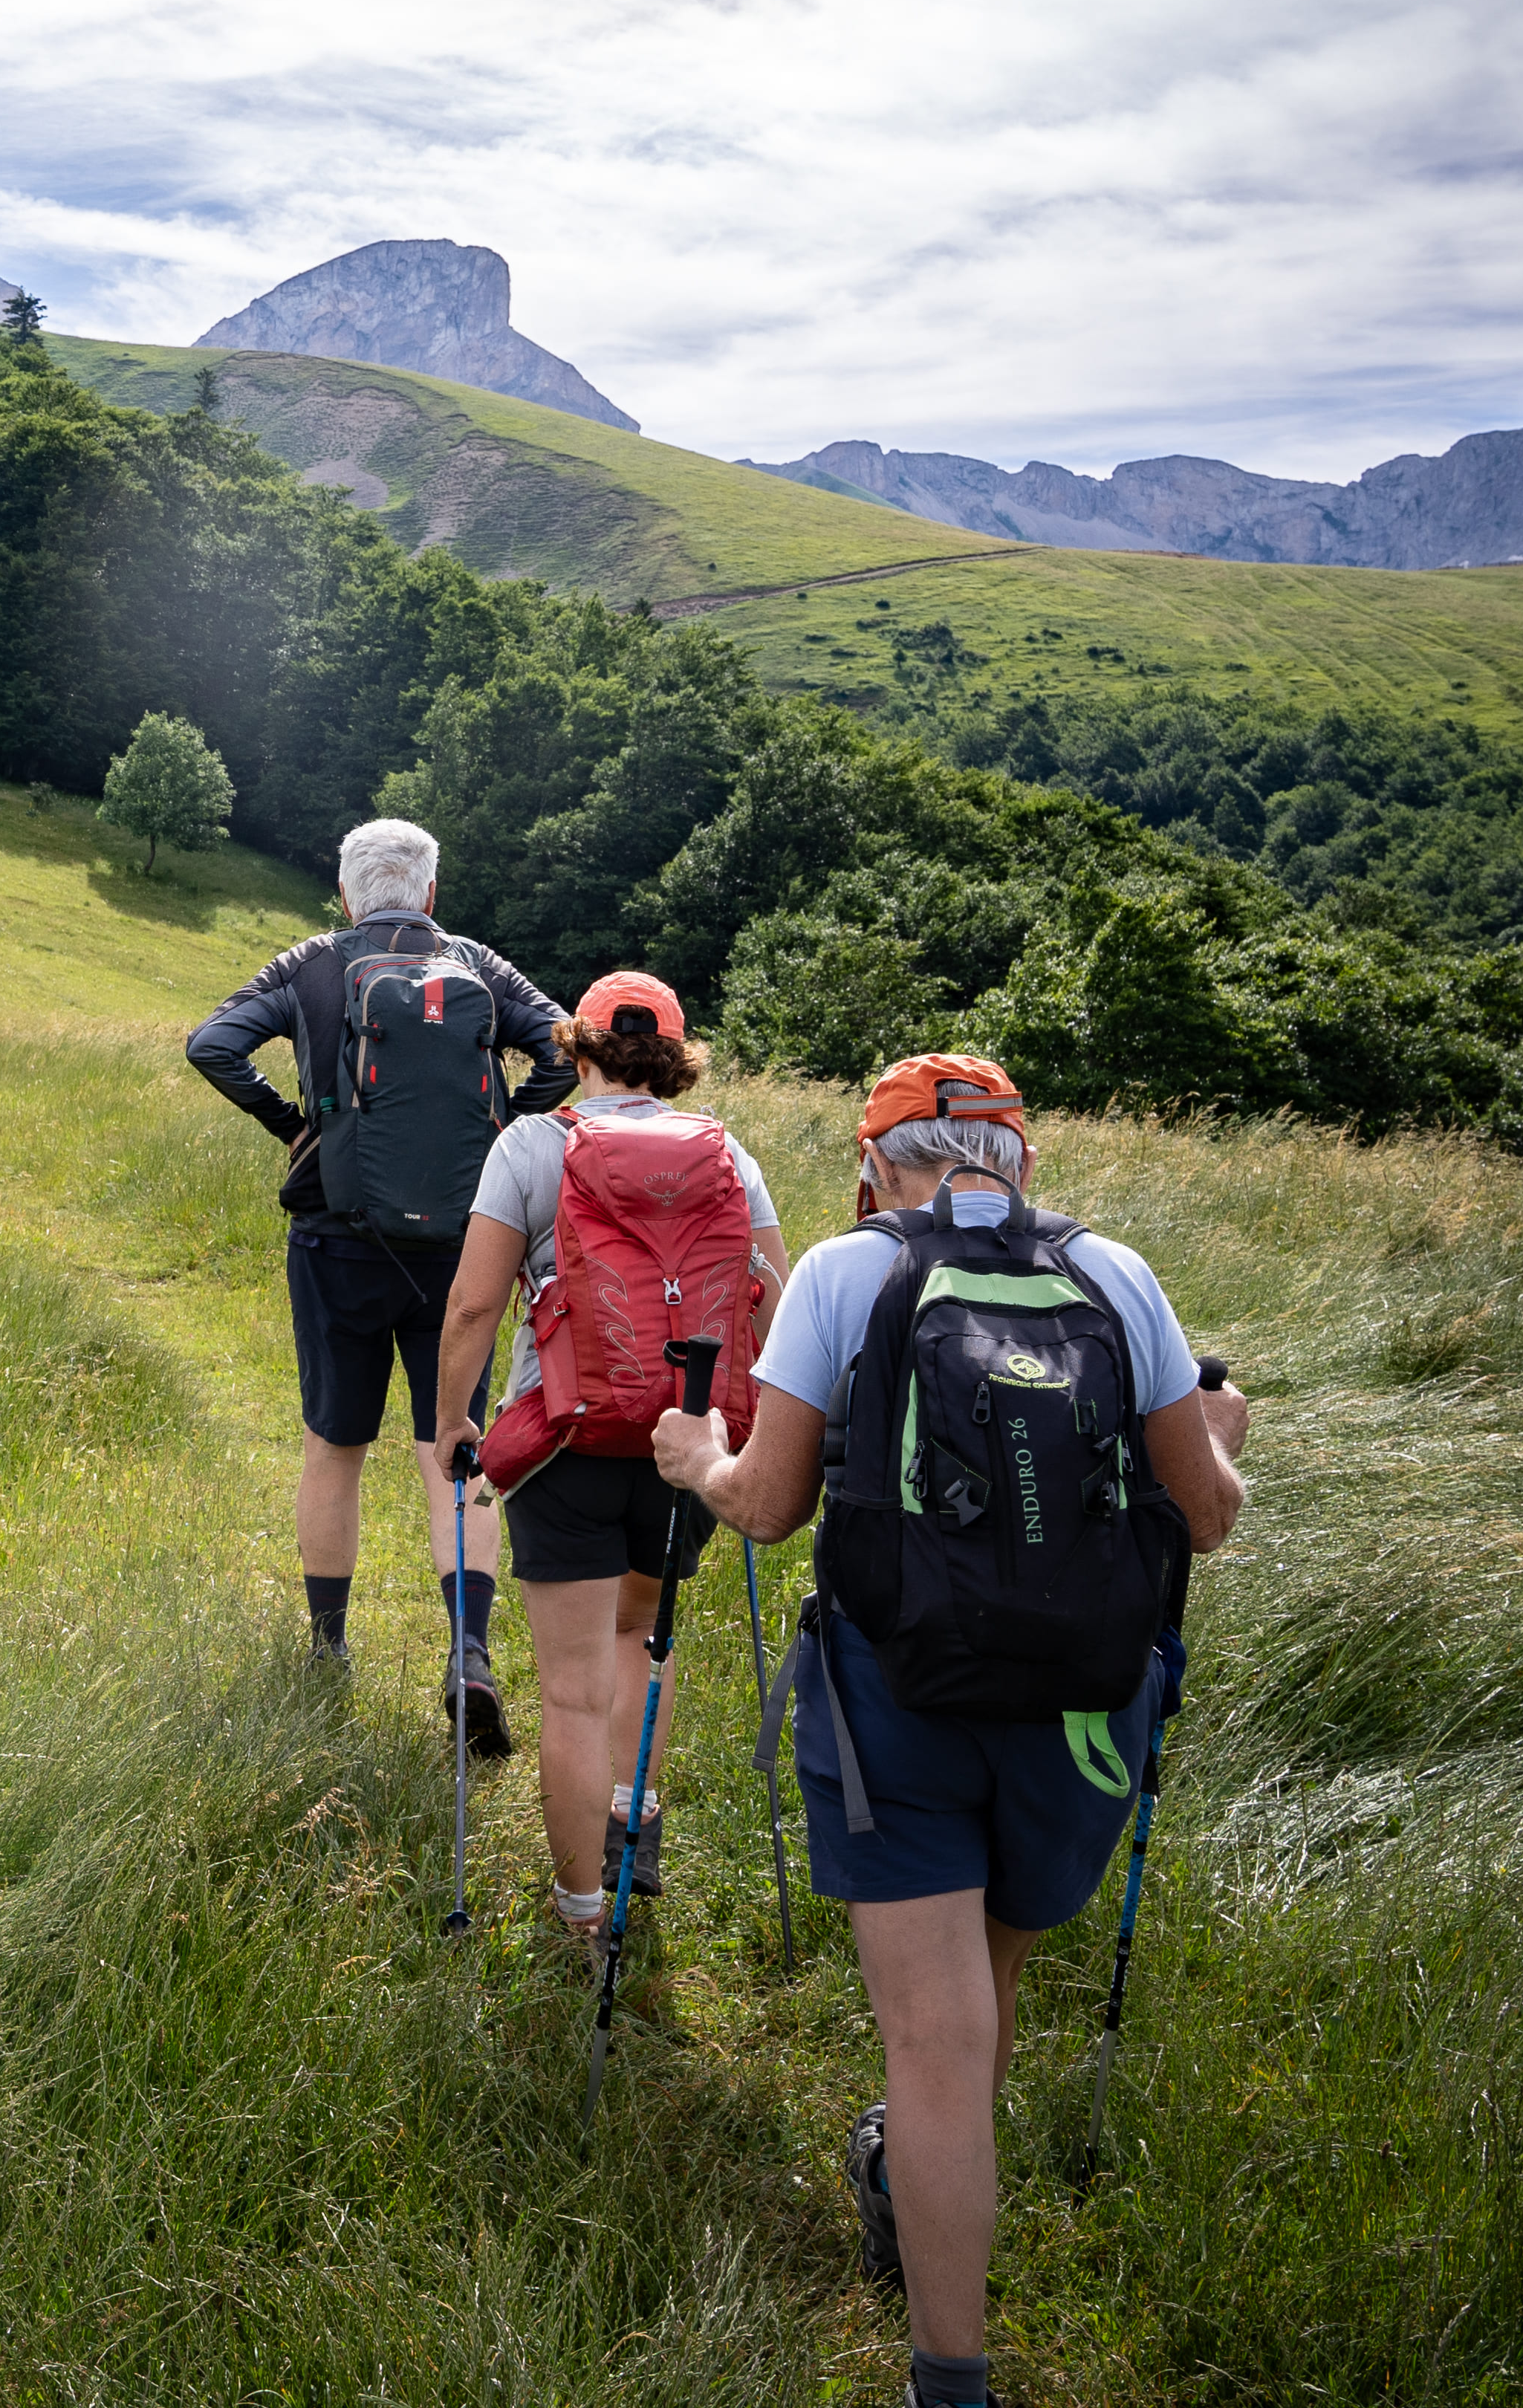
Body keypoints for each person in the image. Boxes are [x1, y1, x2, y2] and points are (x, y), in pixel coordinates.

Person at [646, 1053, 1251, 2408]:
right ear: (1020, 1160)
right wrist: (1227, 1432)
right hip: (1083, 1710)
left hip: (896, 1699)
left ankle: (950, 2379)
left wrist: (695, 1459)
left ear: (872, 1167)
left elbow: (768, 1505)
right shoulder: (1121, 1276)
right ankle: (911, 2179)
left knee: (933, 2041)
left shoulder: (849, 1274)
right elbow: (1205, 1515)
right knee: (982, 2003)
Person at [185, 816, 571, 1742]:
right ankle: (468, 1652)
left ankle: (329, 1651)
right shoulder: (479, 962)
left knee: (335, 1446)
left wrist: (293, 1126)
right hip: (461, 1250)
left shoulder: (309, 961)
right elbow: (568, 1045)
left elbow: (211, 1044)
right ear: (431, 893)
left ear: (346, 892)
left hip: (337, 1237)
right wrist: (507, 1134)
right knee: (455, 1443)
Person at [428, 973, 787, 1936]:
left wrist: (454, 1419)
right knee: (644, 1640)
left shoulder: (533, 1146)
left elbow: (471, 1302)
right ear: (673, 1060)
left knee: (573, 1692)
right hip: (687, 1446)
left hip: (566, 1437)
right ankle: (635, 1824)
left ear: (577, 1048)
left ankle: (582, 1910)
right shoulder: (728, 1155)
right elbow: (774, 1299)